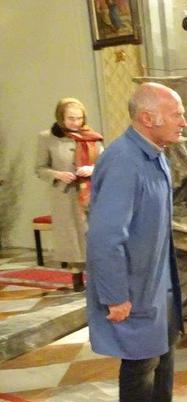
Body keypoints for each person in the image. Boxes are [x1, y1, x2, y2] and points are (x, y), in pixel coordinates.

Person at [86, 82, 187, 402]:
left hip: (157, 277)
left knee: (164, 345)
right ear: (148, 118)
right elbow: (105, 236)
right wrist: (115, 295)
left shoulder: (154, 153)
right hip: (134, 282)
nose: (183, 121)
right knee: (140, 358)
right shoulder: (123, 161)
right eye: (176, 114)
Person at [36, 98, 104, 290]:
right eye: (71, 118)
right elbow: (40, 168)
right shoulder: (47, 137)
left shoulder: (92, 137)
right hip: (65, 195)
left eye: (79, 118)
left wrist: (92, 169)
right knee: (73, 236)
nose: (76, 123)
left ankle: (98, 276)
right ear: (61, 117)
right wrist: (58, 174)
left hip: (91, 192)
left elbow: (105, 163)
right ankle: (76, 276)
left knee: (93, 233)